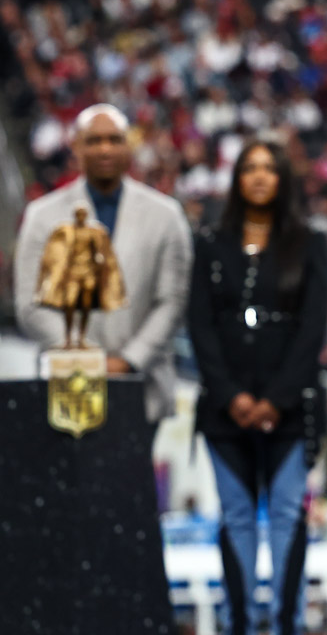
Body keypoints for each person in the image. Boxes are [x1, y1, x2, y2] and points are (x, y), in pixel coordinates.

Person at [187, 138, 327, 635]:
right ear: (237, 179)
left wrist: (276, 399)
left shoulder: (310, 243)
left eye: (270, 168)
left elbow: (314, 328)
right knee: (237, 523)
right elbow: (199, 327)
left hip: (291, 414)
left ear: (283, 179)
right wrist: (232, 397)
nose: (260, 176)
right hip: (225, 417)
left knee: (289, 524)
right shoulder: (209, 244)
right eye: (250, 168)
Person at [14, 103, 193, 425]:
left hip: (143, 388)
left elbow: (173, 301)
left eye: (114, 139)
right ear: (76, 147)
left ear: (129, 146)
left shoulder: (166, 216)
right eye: (94, 140)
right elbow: (30, 303)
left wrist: (129, 360)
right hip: (66, 385)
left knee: (132, 476)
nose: (105, 149)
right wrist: (85, 359)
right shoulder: (42, 216)